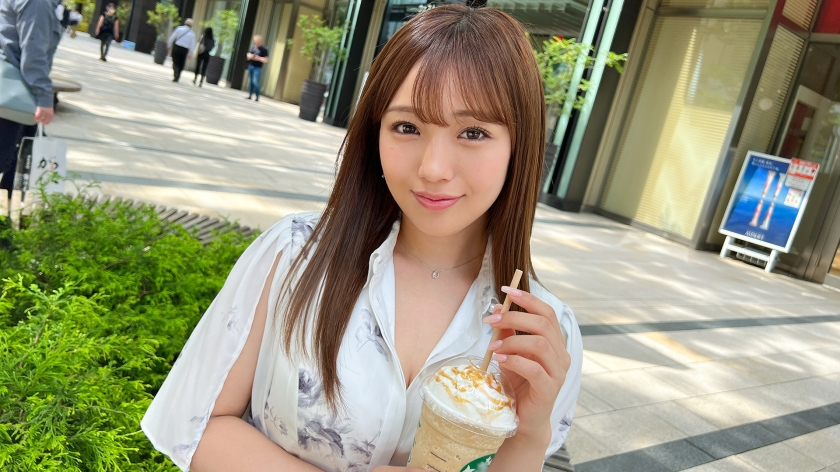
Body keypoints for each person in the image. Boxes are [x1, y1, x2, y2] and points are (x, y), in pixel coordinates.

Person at [142, 5, 582, 472]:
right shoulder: (295, 254)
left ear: (519, 146)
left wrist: (530, 435)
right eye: (407, 127)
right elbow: (198, 423)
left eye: (473, 132)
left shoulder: (542, 334)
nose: (433, 168)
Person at [0, 0, 60, 207]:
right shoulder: (38, 3)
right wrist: (45, 99)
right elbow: (33, 55)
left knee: (16, 165)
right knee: (14, 163)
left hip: (10, 90)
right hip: (13, 96)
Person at [168, 19, 195, 83]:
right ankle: (178, 75)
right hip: (185, 49)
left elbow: (172, 37)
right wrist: (190, 53)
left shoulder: (179, 29)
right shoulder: (192, 34)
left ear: (185, 23)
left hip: (177, 47)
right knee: (181, 63)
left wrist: (169, 44)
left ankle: (175, 71)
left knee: (175, 60)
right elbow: (192, 44)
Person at [244, 35, 268, 101]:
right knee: (251, 81)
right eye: (255, 42)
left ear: (260, 41)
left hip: (257, 67)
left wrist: (259, 58)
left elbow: (266, 60)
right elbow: (248, 55)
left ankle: (257, 96)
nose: (256, 43)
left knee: (255, 81)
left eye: (257, 42)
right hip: (251, 66)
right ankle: (250, 95)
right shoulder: (253, 47)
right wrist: (251, 56)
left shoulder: (264, 49)